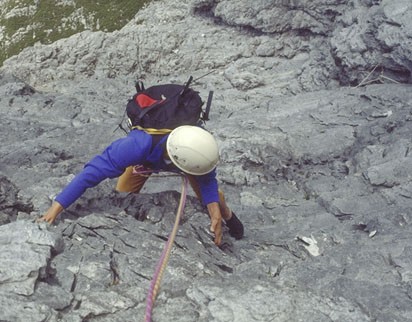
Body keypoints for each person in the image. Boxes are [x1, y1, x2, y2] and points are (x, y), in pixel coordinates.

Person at [39, 125, 244, 246]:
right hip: (147, 159)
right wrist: (57, 207)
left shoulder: (198, 144)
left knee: (214, 200)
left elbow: (207, 178)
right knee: (123, 195)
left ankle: (228, 214)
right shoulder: (136, 147)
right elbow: (91, 173)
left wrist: (217, 211)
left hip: (184, 159)